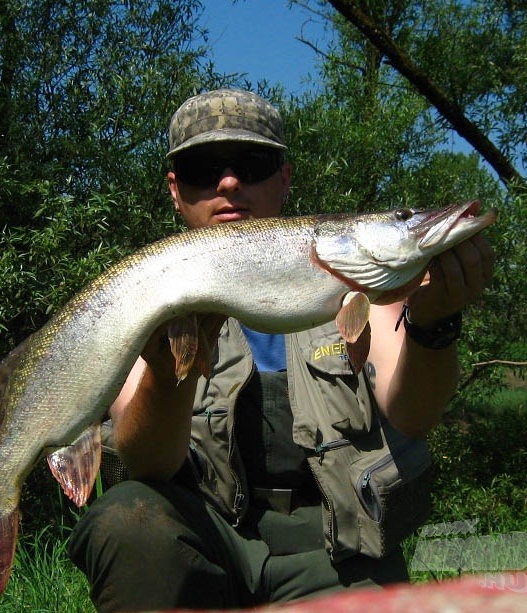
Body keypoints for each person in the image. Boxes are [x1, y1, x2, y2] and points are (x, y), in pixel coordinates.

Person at [68, 88, 495, 611]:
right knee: (125, 517)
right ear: (176, 191)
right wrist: (168, 368)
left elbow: (414, 415)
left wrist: (434, 325)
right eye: (204, 169)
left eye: (253, 164)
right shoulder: (147, 291)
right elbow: (149, 463)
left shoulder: (369, 293)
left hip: (335, 549)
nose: (229, 182)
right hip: (207, 540)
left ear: (285, 178)